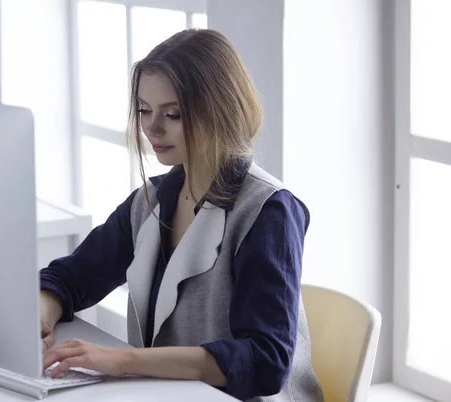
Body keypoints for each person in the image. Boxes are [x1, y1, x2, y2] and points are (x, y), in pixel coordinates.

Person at [38, 28, 323, 402]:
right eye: (144, 110)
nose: (152, 128)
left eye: (173, 114)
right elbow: (72, 276)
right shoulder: (152, 200)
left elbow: (264, 362)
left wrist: (125, 360)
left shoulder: (270, 212)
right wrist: (41, 314)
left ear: (220, 110)